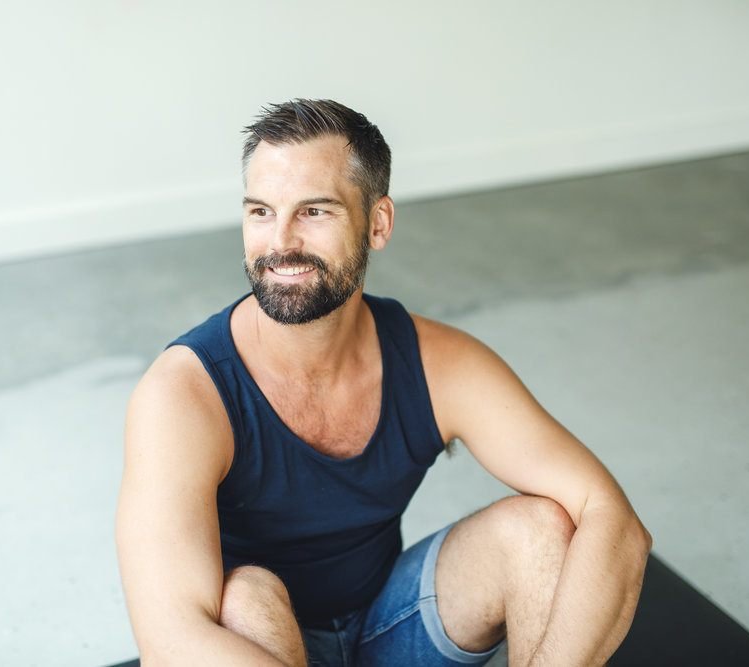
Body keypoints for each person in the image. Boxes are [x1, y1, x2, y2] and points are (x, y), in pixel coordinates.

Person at [115, 99, 652, 666]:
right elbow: (170, 642)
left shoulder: (439, 363)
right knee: (246, 596)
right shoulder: (184, 394)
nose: (280, 242)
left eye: (314, 211)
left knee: (539, 529)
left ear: (378, 223)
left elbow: (612, 518)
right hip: (257, 647)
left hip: (386, 626)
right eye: (261, 212)